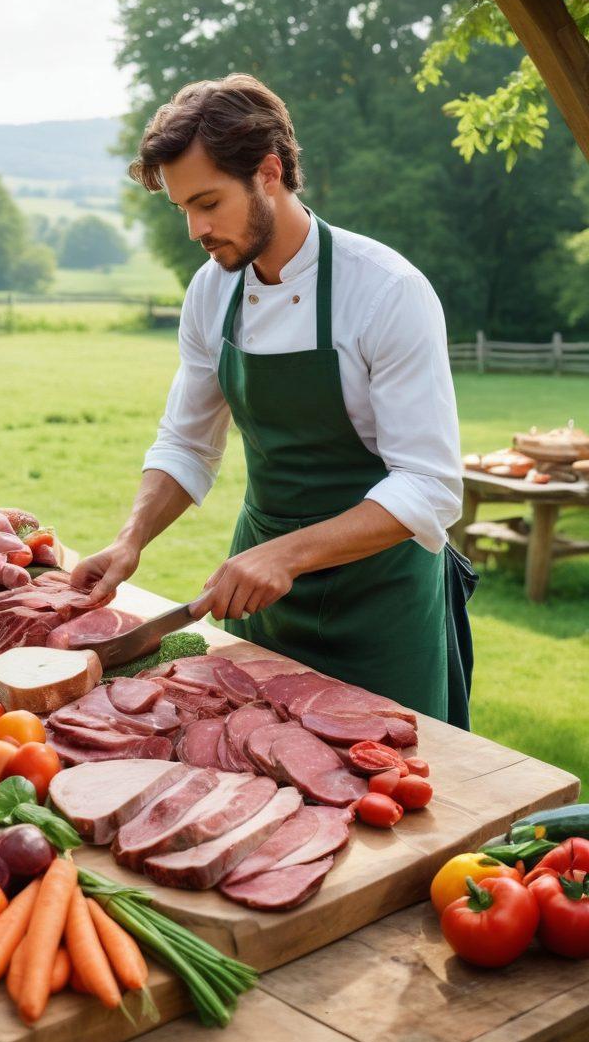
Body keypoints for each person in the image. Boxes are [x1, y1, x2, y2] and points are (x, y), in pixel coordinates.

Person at [71, 74, 476, 728]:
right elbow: (187, 443)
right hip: (262, 602)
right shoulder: (211, 292)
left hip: (383, 606)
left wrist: (284, 554)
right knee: (258, 767)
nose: (196, 230)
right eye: (183, 210)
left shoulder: (385, 292)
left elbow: (429, 486)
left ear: (268, 173)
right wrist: (130, 540)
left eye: (208, 202)